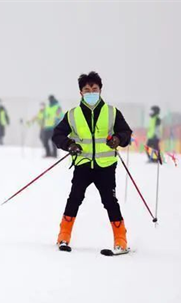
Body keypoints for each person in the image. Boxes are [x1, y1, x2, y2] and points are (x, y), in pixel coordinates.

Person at [52, 71, 132, 253]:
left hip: (106, 167)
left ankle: (121, 240)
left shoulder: (112, 112)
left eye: (94, 89)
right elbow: (57, 135)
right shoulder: (73, 114)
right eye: (87, 90)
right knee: (74, 199)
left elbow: (126, 132)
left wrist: (118, 139)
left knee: (110, 201)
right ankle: (63, 236)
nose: (91, 93)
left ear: (100, 90)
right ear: (81, 93)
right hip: (83, 165)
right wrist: (69, 144)